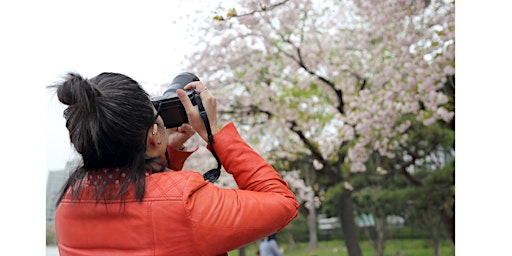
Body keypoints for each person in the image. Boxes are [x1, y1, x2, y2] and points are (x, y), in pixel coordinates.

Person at [49, 72, 299, 256]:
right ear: (152, 135)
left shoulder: (67, 205)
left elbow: (145, 208)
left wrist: (163, 151)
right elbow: (282, 202)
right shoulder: (186, 203)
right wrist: (216, 133)